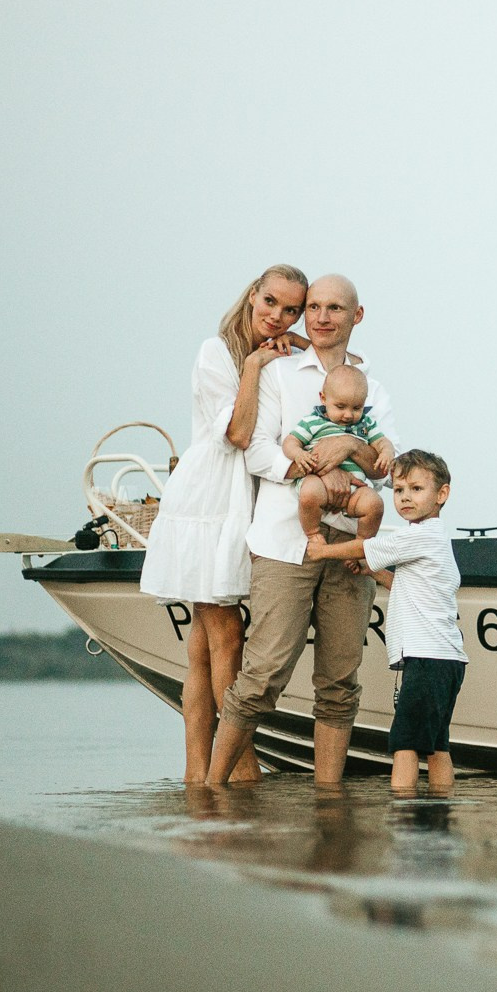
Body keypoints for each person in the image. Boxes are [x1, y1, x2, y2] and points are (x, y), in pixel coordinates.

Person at [207, 274, 394, 785]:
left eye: (335, 308)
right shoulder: (280, 372)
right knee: (261, 676)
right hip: (284, 543)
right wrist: (313, 471)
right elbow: (257, 450)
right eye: (313, 307)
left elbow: (385, 468)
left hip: (350, 546)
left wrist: (349, 447)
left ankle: (329, 802)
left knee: (339, 682)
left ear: (357, 316)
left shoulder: (373, 388)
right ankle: (212, 793)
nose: (321, 317)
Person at [138, 264, 309, 784]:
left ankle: (198, 775)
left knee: (202, 647)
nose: (277, 316)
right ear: (253, 294)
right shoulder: (218, 352)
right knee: (227, 634)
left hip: (246, 498)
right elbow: (237, 433)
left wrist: (299, 348)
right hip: (210, 500)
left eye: (291, 310)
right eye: (270, 302)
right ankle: (241, 767)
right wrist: (255, 364)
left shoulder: (281, 352)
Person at [306, 449, 466, 794]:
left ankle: (402, 809)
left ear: (442, 494)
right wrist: (374, 574)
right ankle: (442, 806)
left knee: (405, 742)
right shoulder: (436, 540)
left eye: (417, 489)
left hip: (426, 657)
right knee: (437, 744)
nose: (405, 497)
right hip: (446, 659)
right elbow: (408, 585)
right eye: (399, 489)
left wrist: (323, 551)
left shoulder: (420, 535)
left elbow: (365, 546)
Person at [284, 364, 392, 544]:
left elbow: (382, 442)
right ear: (324, 398)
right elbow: (290, 442)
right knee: (309, 493)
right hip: (319, 483)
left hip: (355, 491)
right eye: (340, 406)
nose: (348, 415)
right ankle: (312, 533)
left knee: (375, 504)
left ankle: (362, 543)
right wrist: (298, 455)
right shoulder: (313, 422)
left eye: (356, 408)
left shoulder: (365, 424)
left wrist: (386, 452)